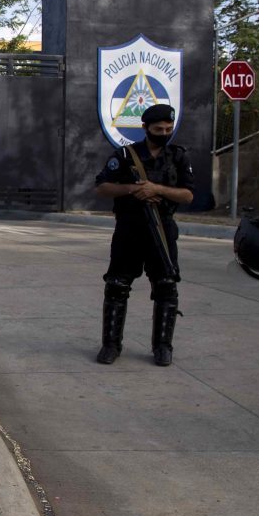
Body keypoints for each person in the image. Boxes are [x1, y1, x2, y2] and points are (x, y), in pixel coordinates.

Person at [94, 103, 194, 367]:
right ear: (145, 128)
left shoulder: (178, 157)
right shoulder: (126, 155)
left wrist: (156, 189)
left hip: (162, 229)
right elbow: (102, 186)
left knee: (166, 286)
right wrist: (130, 189)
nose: (164, 133)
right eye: (158, 129)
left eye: (168, 129)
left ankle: (162, 347)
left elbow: (187, 194)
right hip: (129, 229)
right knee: (117, 285)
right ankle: (111, 345)